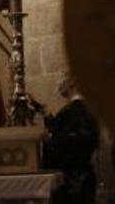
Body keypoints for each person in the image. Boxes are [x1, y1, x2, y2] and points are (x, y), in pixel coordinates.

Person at [43, 75, 100, 204]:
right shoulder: (91, 111)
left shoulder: (67, 112)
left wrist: (48, 140)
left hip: (69, 179)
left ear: (71, 85)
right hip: (86, 174)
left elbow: (60, 146)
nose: (59, 86)